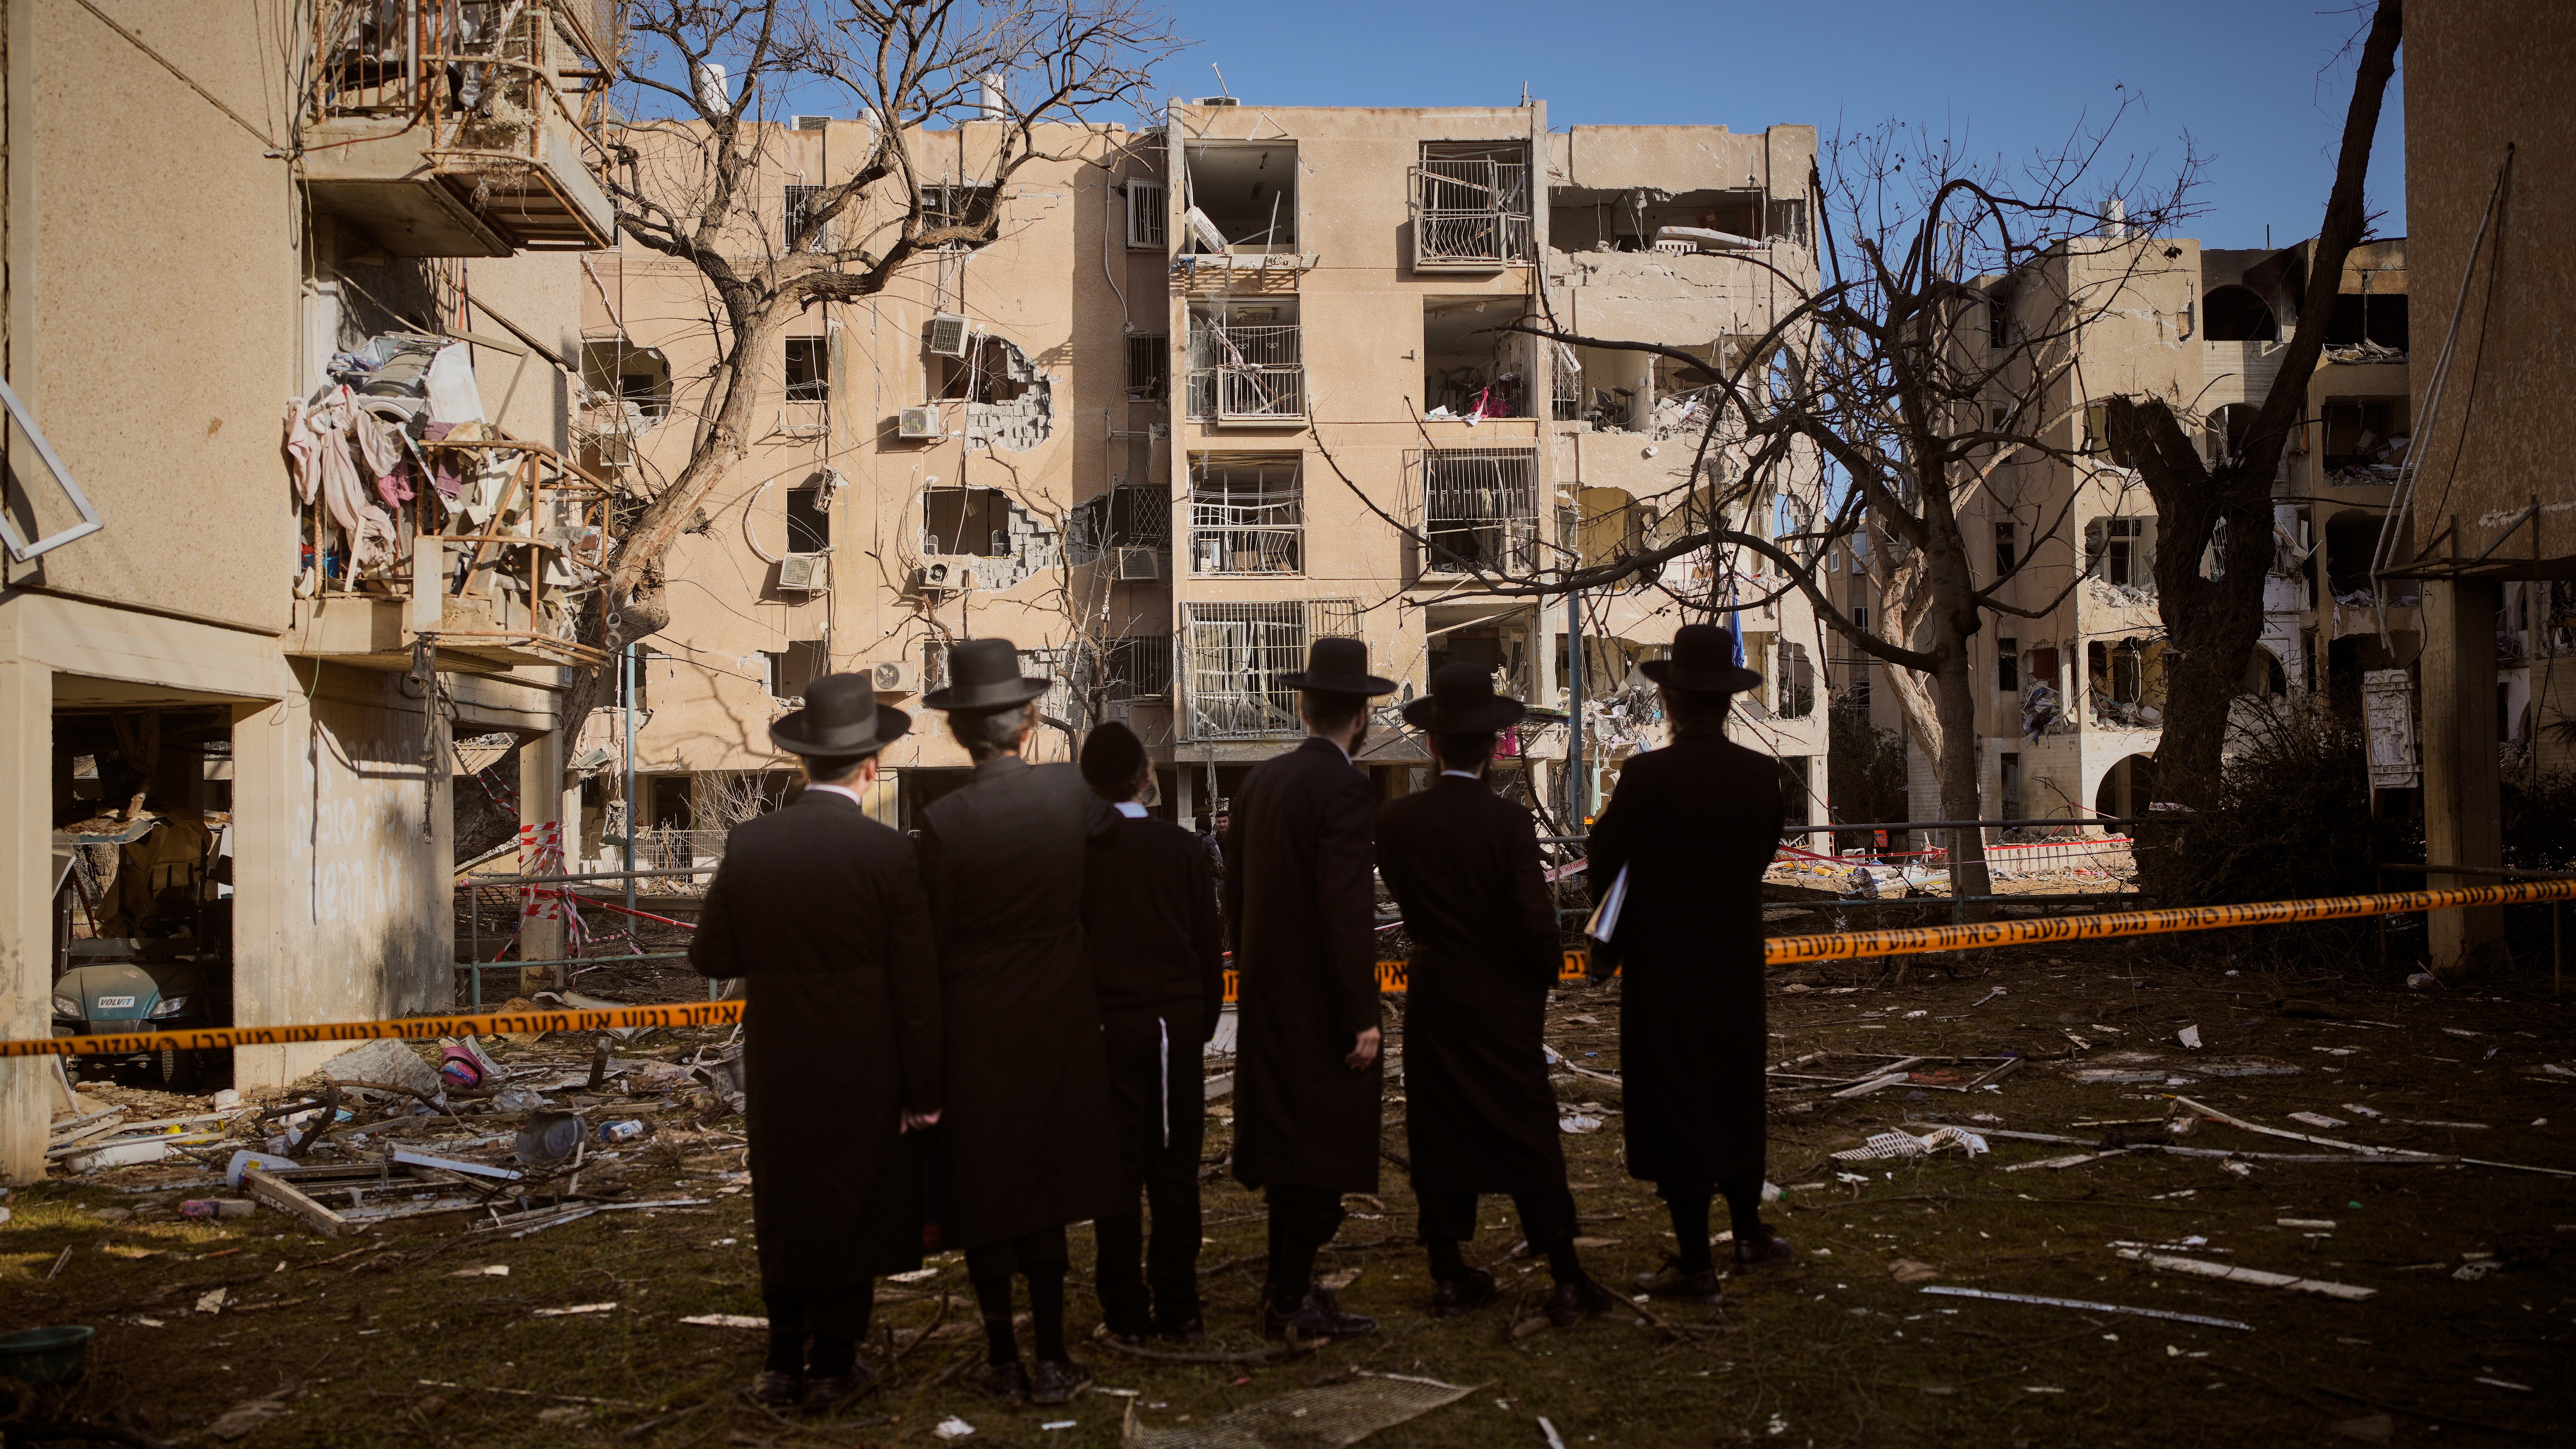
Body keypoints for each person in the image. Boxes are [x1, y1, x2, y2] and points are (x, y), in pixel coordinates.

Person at [689, 675, 940, 1414]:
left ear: (801, 762)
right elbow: (917, 988)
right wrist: (925, 1091)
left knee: (787, 1198)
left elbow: (711, 955)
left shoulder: (752, 843)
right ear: (872, 765)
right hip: (867, 1062)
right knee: (854, 1200)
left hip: (779, 1059)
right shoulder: (889, 855)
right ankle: (833, 1365)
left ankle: (779, 1363)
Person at [1375, 664, 1615, 1326]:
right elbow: (1534, 921)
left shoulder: (1394, 821)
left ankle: (1448, 1273)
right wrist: (1542, 978)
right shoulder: (1507, 823)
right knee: (1527, 1128)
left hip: (1433, 991)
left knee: (1437, 1128)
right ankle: (1565, 1275)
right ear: (1493, 746)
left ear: (1432, 744)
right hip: (1501, 996)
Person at [917, 638, 1124, 1405]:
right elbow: (1111, 880)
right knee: (1048, 1185)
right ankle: (1056, 1355)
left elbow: (932, 940)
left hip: (975, 1028)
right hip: (1060, 1018)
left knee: (988, 1188)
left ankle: (1003, 1356)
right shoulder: (1072, 794)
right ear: (1030, 722)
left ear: (957, 731)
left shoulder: (943, 823)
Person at [1585, 624, 1794, 1303]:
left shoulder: (1647, 777)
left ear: (1670, 702)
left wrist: (1617, 929)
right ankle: (1749, 1235)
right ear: (1727, 702)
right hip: (1734, 963)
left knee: (1675, 1099)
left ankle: (1696, 1263)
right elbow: (1761, 856)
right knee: (1735, 1093)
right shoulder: (1762, 777)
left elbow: (1605, 861)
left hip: (1665, 969)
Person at [1225, 637, 1395, 1342]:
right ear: (1361, 716)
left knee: (1289, 1157)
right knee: (1321, 1162)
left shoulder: (1261, 783)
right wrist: (1361, 1014)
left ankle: (1284, 1289)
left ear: (1301, 708)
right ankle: (1289, 1301)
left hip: (1269, 998)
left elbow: (1234, 895)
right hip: (1321, 1007)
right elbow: (1345, 910)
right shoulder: (1346, 789)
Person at [1077, 722, 1225, 1345]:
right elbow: (1208, 943)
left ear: (1088, 783)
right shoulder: (1181, 849)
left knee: (1115, 1172)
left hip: (1107, 1030)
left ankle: (1124, 1312)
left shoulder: (1079, 852)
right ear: (1145, 776)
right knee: (1175, 1169)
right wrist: (1202, 1021)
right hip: (1174, 1028)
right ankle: (1180, 1307)